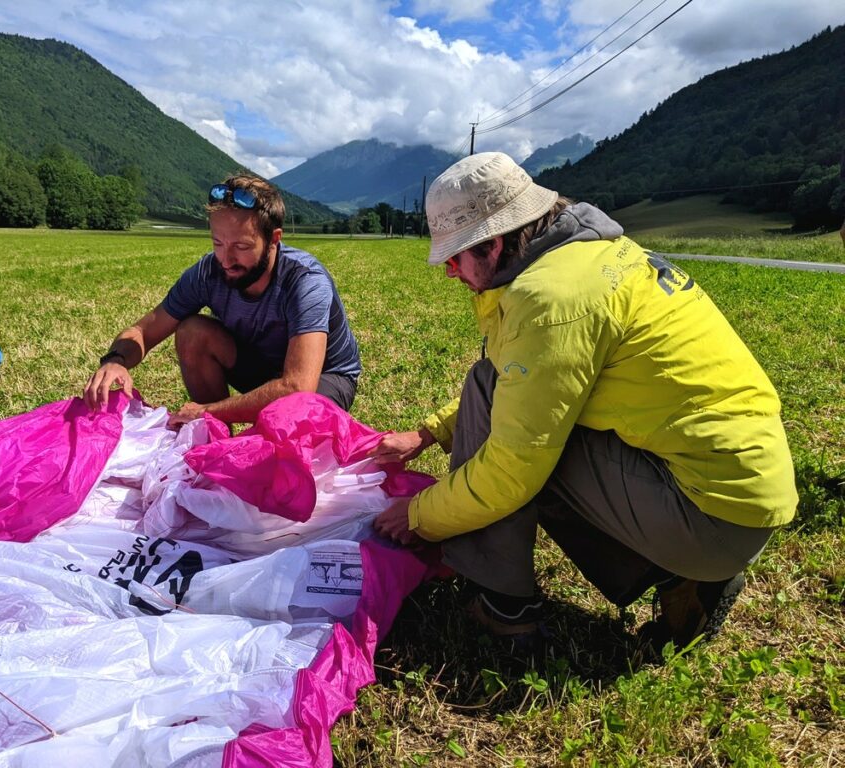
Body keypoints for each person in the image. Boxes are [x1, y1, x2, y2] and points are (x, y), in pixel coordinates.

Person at [371, 152, 797, 653]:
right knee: (502, 396)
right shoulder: (591, 257)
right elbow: (516, 380)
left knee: (525, 451)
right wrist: (428, 433)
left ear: (496, 244)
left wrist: (418, 515)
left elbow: (511, 466)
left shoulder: (551, 298)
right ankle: (678, 576)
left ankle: (505, 607)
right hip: (733, 496)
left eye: (453, 256)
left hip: (711, 518)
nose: (449, 272)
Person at [84, 174, 361, 425]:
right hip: (263, 367)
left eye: (241, 246)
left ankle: (219, 425)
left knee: (283, 429)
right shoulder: (208, 272)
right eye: (218, 243)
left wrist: (206, 410)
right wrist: (115, 359)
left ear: (274, 239)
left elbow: (298, 386)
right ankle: (215, 436)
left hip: (323, 379)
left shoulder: (305, 280)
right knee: (192, 331)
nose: (226, 260)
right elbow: (144, 331)